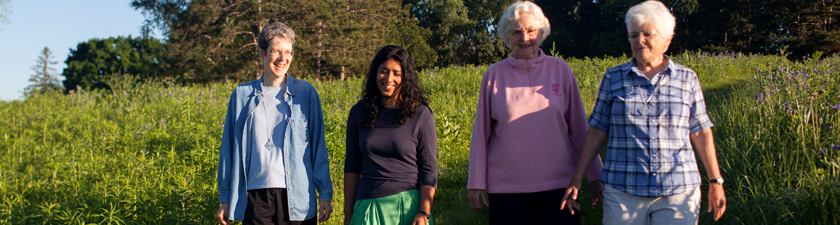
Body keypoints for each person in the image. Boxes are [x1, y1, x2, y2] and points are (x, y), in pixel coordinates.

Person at [560, 1, 727, 224]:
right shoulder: (613, 78)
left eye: (648, 34)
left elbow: (700, 132)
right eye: (634, 35)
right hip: (623, 191)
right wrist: (577, 178)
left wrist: (715, 181)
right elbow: (597, 130)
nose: (639, 40)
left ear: (667, 39)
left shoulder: (687, 79)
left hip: (678, 191)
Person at [466, 2, 604, 224]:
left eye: (531, 30)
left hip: (559, 187)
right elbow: (480, 135)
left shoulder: (561, 70)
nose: (525, 38)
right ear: (505, 36)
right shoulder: (493, 75)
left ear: (542, 32)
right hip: (507, 190)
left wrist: (596, 175)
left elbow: (580, 128)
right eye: (516, 32)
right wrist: (476, 182)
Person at [216, 21, 333, 225]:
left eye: (288, 52)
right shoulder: (242, 95)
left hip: (298, 197)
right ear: (262, 53)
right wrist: (225, 198)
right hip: (255, 198)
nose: (283, 58)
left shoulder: (306, 94)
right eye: (276, 51)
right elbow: (229, 150)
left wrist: (324, 193)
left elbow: (318, 147)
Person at [343, 45, 438, 225]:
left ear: (405, 77)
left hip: (409, 208)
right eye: (383, 71)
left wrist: (423, 212)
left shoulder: (421, 114)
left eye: (396, 73)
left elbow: (429, 169)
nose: (389, 78)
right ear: (375, 73)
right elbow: (352, 167)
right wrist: (348, 216)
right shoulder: (358, 112)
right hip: (367, 206)